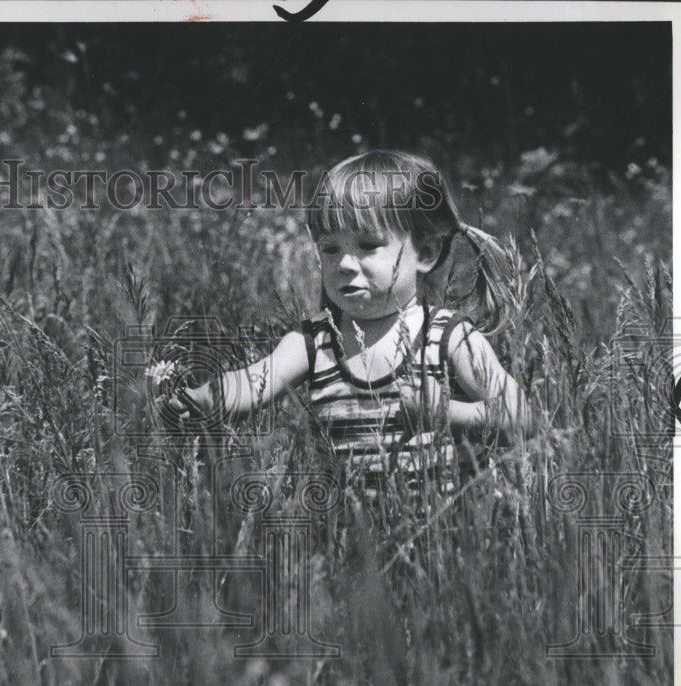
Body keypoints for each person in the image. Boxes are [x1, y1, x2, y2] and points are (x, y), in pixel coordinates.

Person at [169, 150, 528, 497]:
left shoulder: (448, 337)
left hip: (445, 537)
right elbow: (254, 382)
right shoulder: (314, 341)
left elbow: (521, 418)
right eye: (330, 249)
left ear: (428, 253)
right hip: (350, 540)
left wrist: (443, 411)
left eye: (368, 245)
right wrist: (206, 395)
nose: (343, 263)